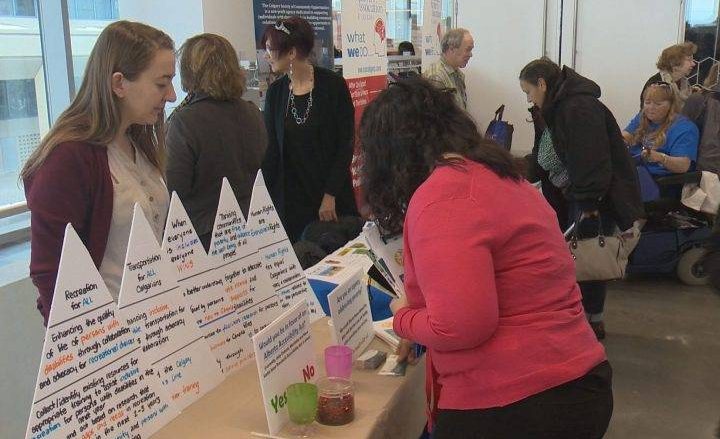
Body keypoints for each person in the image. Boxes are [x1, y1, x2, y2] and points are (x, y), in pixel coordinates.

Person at [360, 78, 612, 438]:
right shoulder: (497, 175)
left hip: (519, 403)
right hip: (572, 382)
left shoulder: (443, 196)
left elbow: (460, 326)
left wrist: (403, 318)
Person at [21, 21, 176, 325]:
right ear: (119, 83)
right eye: (162, 83)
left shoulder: (138, 142)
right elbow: (51, 273)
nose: (171, 95)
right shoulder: (68, 159)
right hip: (109, 340)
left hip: (155, 327)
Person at [520, 58, 643, 340]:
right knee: (577, 255)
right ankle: (577, 315)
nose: (528, 98)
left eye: (528, 91)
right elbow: (546, 153)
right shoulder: (555, 107)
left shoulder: (578, 107)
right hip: (573, 194)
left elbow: (592, 160)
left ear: (542, 83)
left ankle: (591, 319)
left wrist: (588, 204)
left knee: (589, 256)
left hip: (592, 198)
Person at [261, 16, 358, 243]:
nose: (266, 56)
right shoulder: (276, 93)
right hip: (292, 199)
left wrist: (330, 194)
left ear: (292, 53)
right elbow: (271, 152)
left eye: (270, 49)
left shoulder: (333, 85)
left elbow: (345, 143)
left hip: (329, 196)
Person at [166, 33, 266, 250]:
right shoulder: (253, 113)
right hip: (250, 227)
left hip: (203, 238)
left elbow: (174, 191)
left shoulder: (184, 121)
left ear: (190, 70)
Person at [623, 82, 699, 177]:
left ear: (671, 105)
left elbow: (683, 165)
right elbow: (625, 136)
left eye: (658, 104)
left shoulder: (685, 128)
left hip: (659, 180)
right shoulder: (642, 117)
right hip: (634, 171)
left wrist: (661, 158)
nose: (651, 108)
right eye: (647, 103)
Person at [423, 28, 473, 110]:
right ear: (452, 49)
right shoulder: (436, 77)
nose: (471, 54)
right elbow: (438, 118)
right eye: (468, 49)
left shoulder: (458, 74)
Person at [640, 42, 697, 110]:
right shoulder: (656, 84)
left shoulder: (685, 83)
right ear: (675, 63)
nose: (693, 64)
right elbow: (649, 114)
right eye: (689, 60)